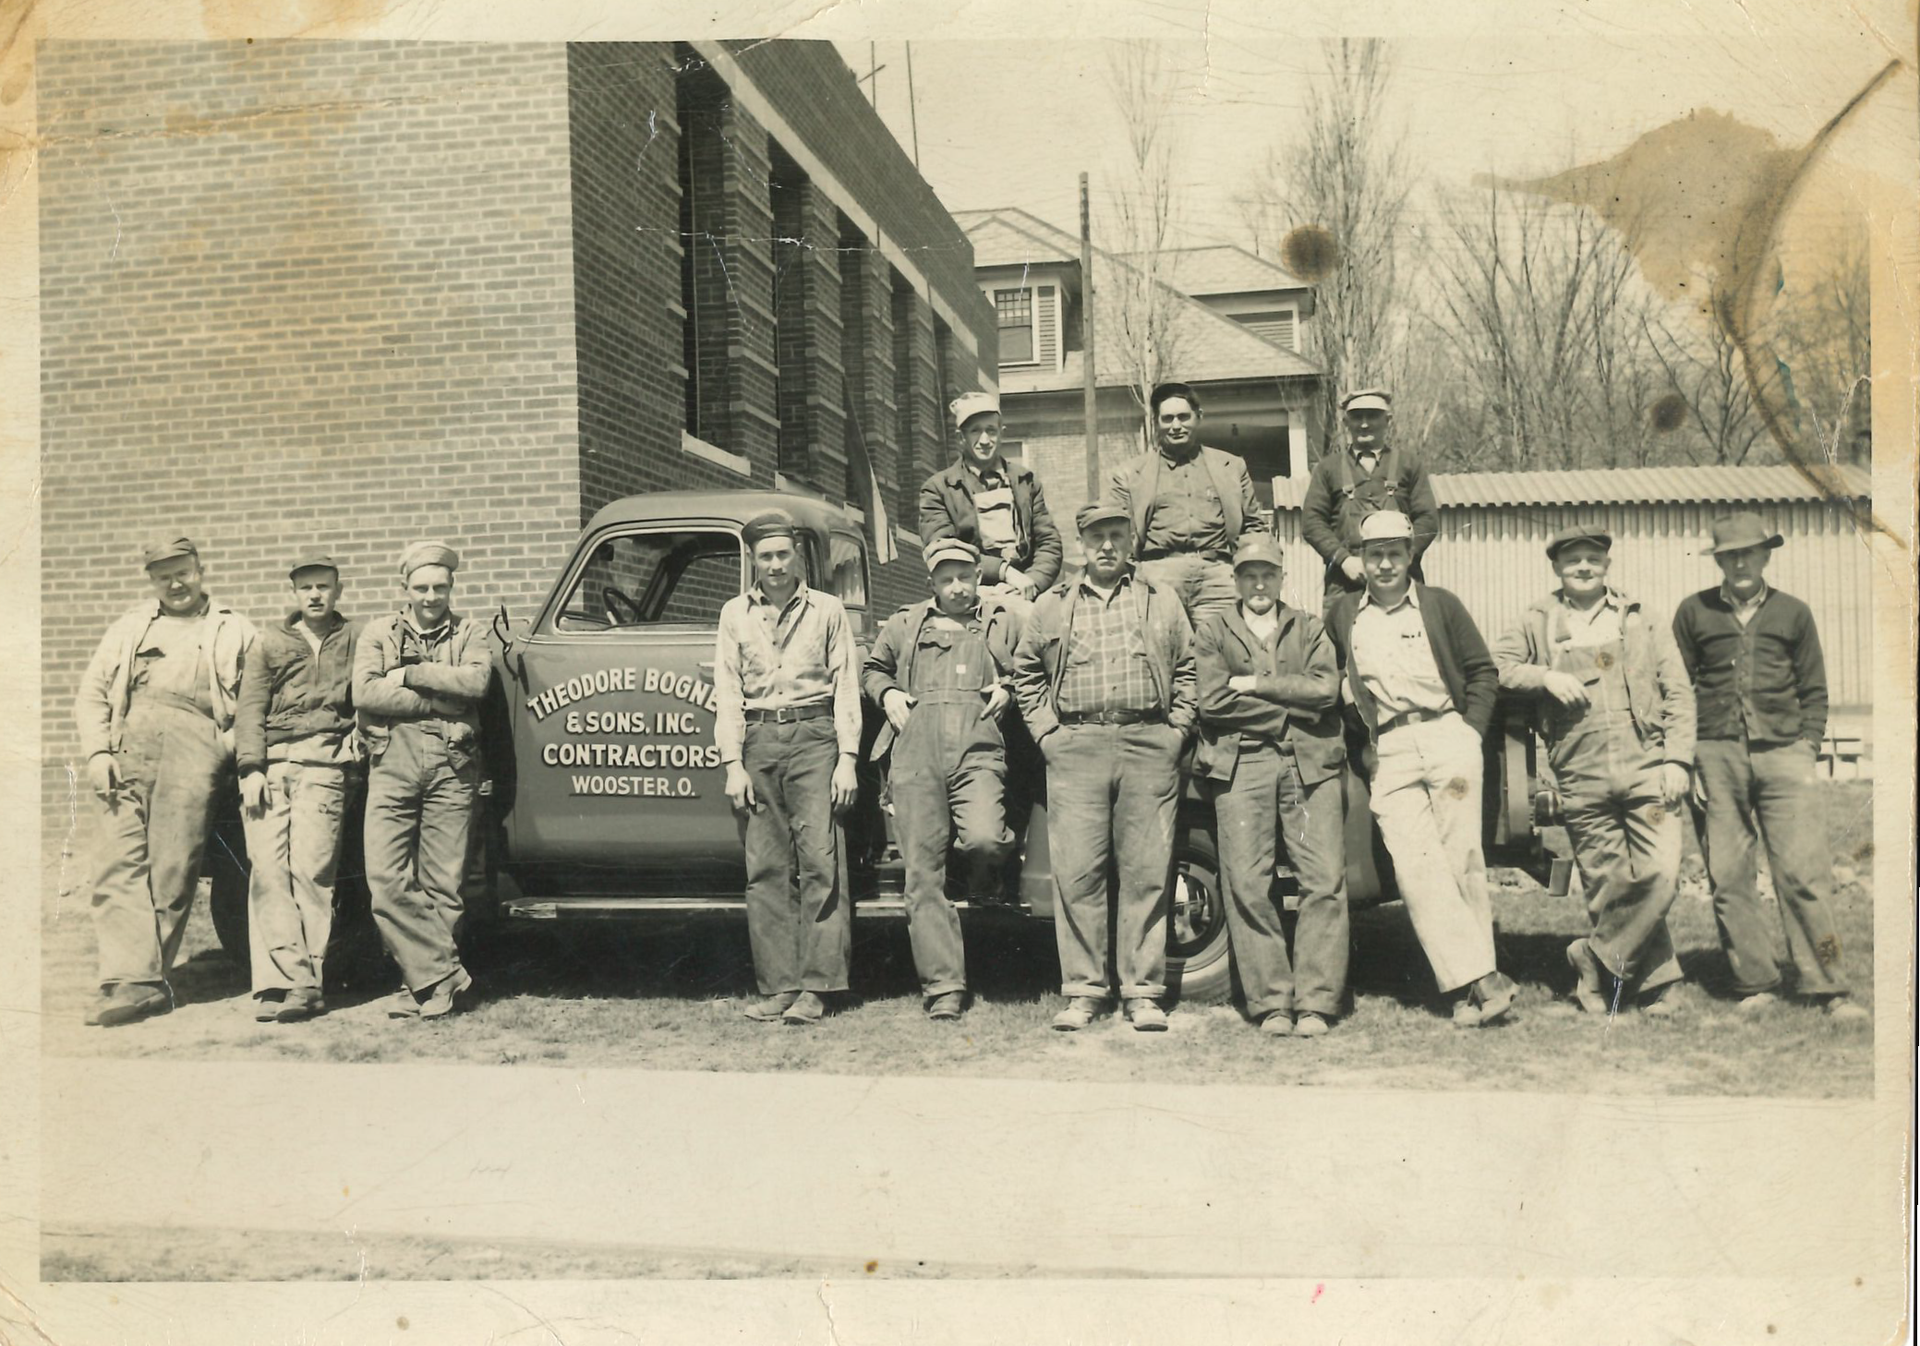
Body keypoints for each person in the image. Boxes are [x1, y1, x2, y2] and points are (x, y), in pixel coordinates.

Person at [1671, 512, 1867, 1021]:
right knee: (1729, 874)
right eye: (1729, 554)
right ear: (1718, 561)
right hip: (1715, 755)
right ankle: (1753, 980)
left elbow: (1814, 690)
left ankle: (1829, 986)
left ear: (1765, 556)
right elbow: (1677, 691)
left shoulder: (1793, 613)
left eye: (1749, 553)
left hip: (1784, 755)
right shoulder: (1693, 613)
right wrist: (1688, 758)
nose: (1740, 562)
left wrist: (1806, 747)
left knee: (1804, 873)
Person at [1492, 525, 1693, 1018]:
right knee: (1607, 883)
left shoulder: (1640, 618)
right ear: (1557, 568)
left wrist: (1677, 758)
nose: (1584, 567)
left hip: (1645, 760)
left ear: (1607, 566)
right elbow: (1495, 666)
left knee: (1661, 873)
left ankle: (1594, 955)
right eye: (1573, 560)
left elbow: (1678, 692)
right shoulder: (1537, 620)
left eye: (1593, 560)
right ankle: (1648, 987)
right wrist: (1545, 676)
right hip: (1578, 766)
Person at [1325, 510, 1517, 1028]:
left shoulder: (1440, 605)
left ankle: (1463, 990)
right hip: (1389, 749)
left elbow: (1482, 672)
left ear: (1411, 555)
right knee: (1414, 869)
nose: (1384, 564)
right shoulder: (1345, 614)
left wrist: (1469, 731)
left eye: (1394, 553)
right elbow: (1341, 687)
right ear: (1361, 561)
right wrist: (1364, 747)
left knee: (1461, 861)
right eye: (1374, 554)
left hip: (1446, 735)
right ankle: (1484, 979)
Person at [1011, 501, 1197, 1033]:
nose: (1108, 545)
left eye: (1118, 534)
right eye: (1097, 537)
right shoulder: (1052, 605)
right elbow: (1025, 673)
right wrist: (1048, 734)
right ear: (1081, 544)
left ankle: (1143, 993)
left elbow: (1189, 667)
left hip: (1147, 742)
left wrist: (1176, 732)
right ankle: (1084, 991)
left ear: (1131, 539)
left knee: (1145, 872)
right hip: (1077, 744)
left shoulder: (1161, 599)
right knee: (1079, 873)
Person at [74, 536, 257, 1027]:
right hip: (127, 744)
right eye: (163, 576)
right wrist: (96, 752)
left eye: (183, 572)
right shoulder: (131, 626)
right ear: (152, 580)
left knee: (171, 865)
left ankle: (143, 981)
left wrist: (227, 746)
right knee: (116, 860)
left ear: (200, 570)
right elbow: (92, 693)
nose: (175, 584)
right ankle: (127, 977)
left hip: (196, 746)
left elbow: (256, 697)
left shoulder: (234, 627)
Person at [1193, 534, 1349, 1037]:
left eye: (1267, 573)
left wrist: (1256, 684)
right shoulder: (1214, 631)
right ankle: (1272, 1003)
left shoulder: (1308, 627)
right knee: (1245, 882)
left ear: (1282, 577)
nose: (1258, 583)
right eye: (1248, 574)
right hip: (1242, 766)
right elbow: (1213, 702)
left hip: (1310, 763)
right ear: (1235, 580)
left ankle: (1317, 1002)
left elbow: (1327, 689)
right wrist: (1289, 710)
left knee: (1322, 880)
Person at [861, 538, 1023, 1020]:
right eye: (946, 578)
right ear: (931, 581)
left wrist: (1009, 687)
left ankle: (980, 878)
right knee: (921, 877)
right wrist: (886, 691)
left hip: (978, 752)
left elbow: (1034, 666)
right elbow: (872, 668)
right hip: (916, 755)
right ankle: (944, 986)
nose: (957, 587)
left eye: (965, 576)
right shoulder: (905, 623)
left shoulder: (1001, 622)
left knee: (986, 840)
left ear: (978, 576)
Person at [713, 510, 862, 1027]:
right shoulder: (734, 614)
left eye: (782, 554)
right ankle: (779, 985)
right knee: (767, 866)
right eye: (765, 556)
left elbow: (845, 684)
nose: (775, 565)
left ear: (797, 555)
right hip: (759, 740)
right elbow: (728, 692)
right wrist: (734, 763)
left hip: (816, 736)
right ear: (752, 560)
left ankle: (819, 986)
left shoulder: (827, 610)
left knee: (821, 860)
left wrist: (847, 759)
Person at [353, 541, 491, 1020]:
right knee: (386, 878)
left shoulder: (471, 631)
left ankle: (426, 989)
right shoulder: (377, 632)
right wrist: (434, 699)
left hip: (454, 763)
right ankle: (444, 974)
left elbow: (475, 684)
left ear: (451, 587)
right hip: (393, 759)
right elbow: (366, 692)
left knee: (443, 884)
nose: (430, 596)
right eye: (421, 587)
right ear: (404, 588)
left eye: (439, 587)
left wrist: (410, 673)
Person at [233, 551, 364, 1023]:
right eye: (306, 587)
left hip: (325, 766)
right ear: (293, 593)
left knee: (312, 873)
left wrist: (358, 737)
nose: (315, 594)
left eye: (323, 586)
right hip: (269, 770)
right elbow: (249, 709)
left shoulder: (356, 638)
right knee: (267, 872)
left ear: (338, 590)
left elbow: (368, 693)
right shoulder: (268, 642)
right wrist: (249, 768)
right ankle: (281, 981)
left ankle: (302, 983)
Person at [1108, 381, 1268, 621]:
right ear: (1155, 423)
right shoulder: (1130, 474)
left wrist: (1248, 570)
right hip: (1158, 576)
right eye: (1167, 418)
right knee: (1163, 653)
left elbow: (1254, 526)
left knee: (1221, 652)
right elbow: (1115, 532)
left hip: (1219, 576)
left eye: (1183, 417)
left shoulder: (1231, 466)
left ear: (1198, 417)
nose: (1176, 426)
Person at [918, 391, 1063, 611]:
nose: (984, 440)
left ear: (1001, 433)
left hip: (1025, 592)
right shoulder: (939, 489)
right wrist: (1004, 572)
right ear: (961, 438)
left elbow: (1049, 544)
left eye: (991, 431)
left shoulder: (1026, 482)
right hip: (967, 595)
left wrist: (1032, 581)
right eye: (975, 431)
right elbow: (944, 550)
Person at [1300, 388, 1440, 604]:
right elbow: (1311, 523)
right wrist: (1344, 560)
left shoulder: (1409, 464)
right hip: (1346, 583)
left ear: (1387, 420)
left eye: (1373, 416)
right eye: (1357, 417)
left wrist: (1402, 557)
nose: (1364, 424)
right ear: (1346, 422)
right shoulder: (1328, 468)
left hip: (1402, 580)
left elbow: (1428, 519)